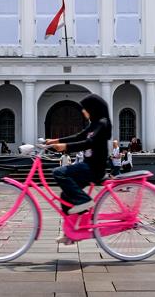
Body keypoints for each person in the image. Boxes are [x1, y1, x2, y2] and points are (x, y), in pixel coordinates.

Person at [48, 93, 112, 231]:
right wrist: (57, 141)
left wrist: (66, 147)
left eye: (85, 108)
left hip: (94, 168)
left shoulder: (102, 123)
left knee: (59, 172)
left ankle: (85, 201)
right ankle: (73, 230)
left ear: (93, 108)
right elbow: (79, 136)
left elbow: (89, 142)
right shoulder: (94, 124)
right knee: (65, 196)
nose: (83, 111)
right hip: (87, 166)